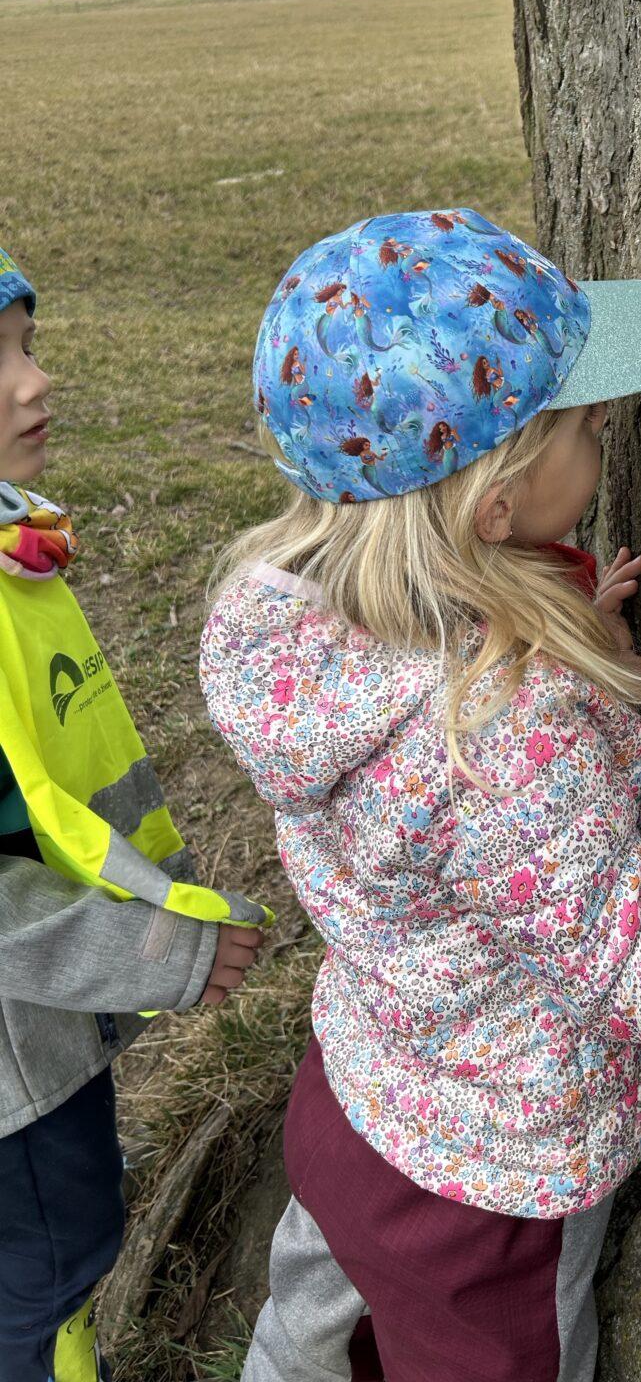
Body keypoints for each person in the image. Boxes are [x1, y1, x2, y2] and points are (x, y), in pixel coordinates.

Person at [199, 208, 641, 1382]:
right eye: (583, 424)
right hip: (483, 1204)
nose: (603, 432)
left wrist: (567, 641)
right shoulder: (500, 738)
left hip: (354, 1105)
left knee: (305, 1335)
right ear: (495, 507)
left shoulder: (288, 627)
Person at [0, 246, 272, 1382]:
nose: (36, 380)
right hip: (13, 1086)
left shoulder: (15, 548)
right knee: (51, 1269)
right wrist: (162, 946)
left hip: (40, 1037)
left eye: (26, 344)